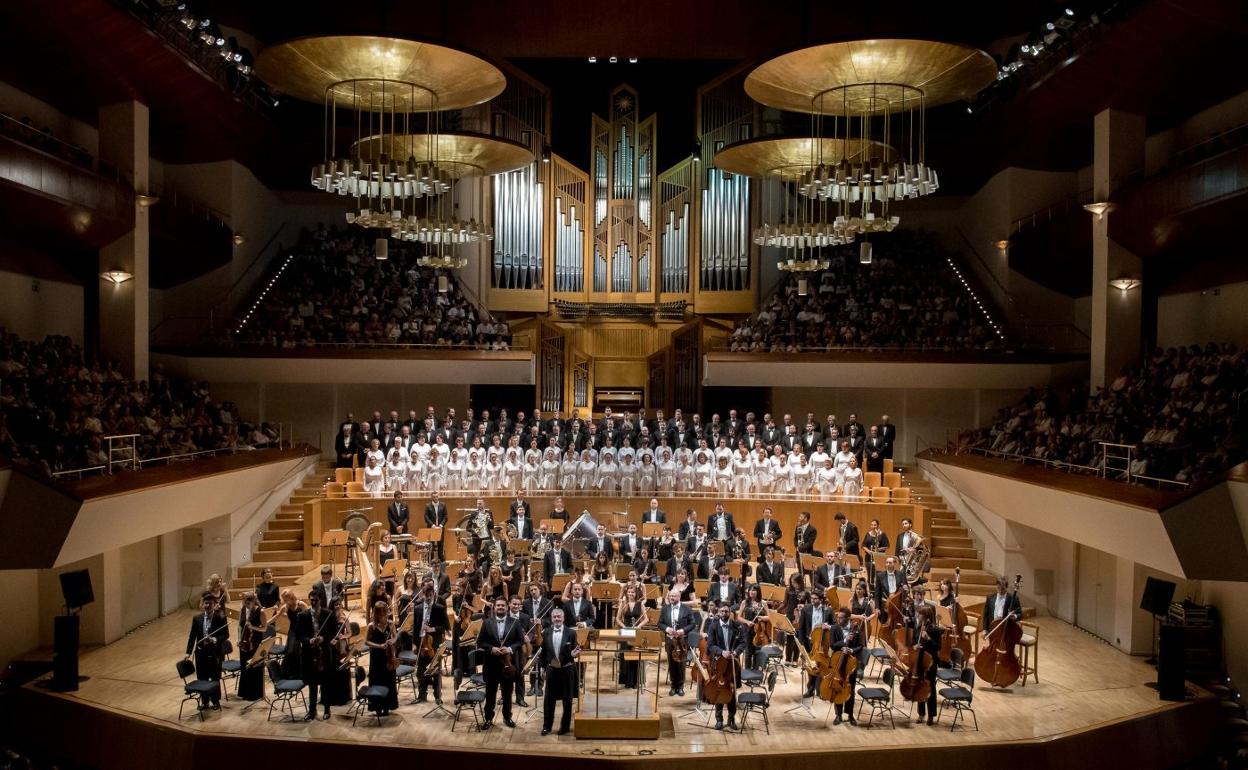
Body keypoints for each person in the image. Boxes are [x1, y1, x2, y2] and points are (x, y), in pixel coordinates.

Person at [477, 597, 525, 729]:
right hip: (491, 664)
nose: (500, 608)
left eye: (503, 606)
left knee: (507, 693)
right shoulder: (487, 623)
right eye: (498, 605)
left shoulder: (515, 622)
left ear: (507, 607)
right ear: (494, 607)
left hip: (507, 664)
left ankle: (507, 717)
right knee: (491, 693)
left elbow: (520, 640)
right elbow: (480, 642)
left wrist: (510, 649)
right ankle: (488, 719)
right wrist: (491, 649)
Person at [705, 602, 747, 730]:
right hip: (719, 662)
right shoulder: (713, 626)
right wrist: (722, 652)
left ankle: (731, 719)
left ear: (730, 612)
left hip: (733, 662)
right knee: (718, 689)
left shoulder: (737, 626)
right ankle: (719, 719)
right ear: (719, 612)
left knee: (732, 691)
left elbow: (743, 643)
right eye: (722, 611)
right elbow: (710, 645)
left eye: (726, 611)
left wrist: (735, 652)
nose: (724, 614)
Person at [540, 607, 580, 736]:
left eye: (559, 616)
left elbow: (575, 651)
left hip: (567, 670)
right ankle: (547, 726)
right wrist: (542, 667)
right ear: (551, 619)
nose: (557, 619)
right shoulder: (546, 632)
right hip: (552, 669)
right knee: (548, 699)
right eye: (554, 617)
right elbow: (544, 652)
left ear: (563, 618)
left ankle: (565, 727)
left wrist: (574, 655)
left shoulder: (571, 633)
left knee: (567, 700)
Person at [184, 593, 228, 710]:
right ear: (202, 604)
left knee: (214, 678)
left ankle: (215, 701)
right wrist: (188, 653)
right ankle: (204, 702)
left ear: (214, 605)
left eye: (210, 603)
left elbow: (225, 635)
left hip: (215, 653)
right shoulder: (197, 619)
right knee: (202, 678)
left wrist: (215, 639)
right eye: (205, 603)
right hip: (201, 654)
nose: (207, 605)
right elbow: (192, 637)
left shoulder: (220, 617)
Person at [412, 582, 448, 705]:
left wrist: (432, 629)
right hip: (421, 644)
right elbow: (415, 628)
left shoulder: (439, 608)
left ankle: (438, 697)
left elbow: (443, 626)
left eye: (430, 595)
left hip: (434, 644)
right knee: (420, 672)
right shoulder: (417, 609)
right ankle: (422, 695)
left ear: (434, 594)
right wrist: (414, 644)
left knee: (436, 671)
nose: (428, 597)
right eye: (426, 595)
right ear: (423, 594)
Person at [658, 589, 696, 696]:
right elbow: (660, 623)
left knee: (681, 663)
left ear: (679, 597)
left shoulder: (687, 609)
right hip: (670, 640)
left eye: (673, 596)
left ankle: (680, 686)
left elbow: (693, 624)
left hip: (682, 639)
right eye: (670, 596)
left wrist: (682, 631)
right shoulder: (665, 609)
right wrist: (667, 629)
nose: (671, 598)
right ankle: (673, 686)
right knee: (671, 662)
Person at [364, 600, 399, 715]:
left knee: (389, 680)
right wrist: (379, 646)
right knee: (377, 681)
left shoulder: (391, 624)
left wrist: (391, 641)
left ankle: (387, 706)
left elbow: (395, 637)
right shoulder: (371, 626)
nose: (385, 614)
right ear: (377, 613)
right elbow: (366, 642)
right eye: (382, 613)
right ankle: (377, 707)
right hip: (376, 658)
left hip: (388, 657)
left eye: (386, 612)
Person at [829, 607, 862, 725]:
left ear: (848, 618)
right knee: (838, 688)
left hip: (850, 664)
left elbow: (860, 646)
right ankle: (838, 715)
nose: (838, 619)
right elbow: (833, 645)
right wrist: (844, 641)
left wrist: (851, 650)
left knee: (850, 690)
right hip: (838, 662)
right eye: (837, 617)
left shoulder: (856, 629)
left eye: (841, 617)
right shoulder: (834, 628)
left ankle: (850, 714)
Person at [797, 590, 830, 698]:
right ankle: (810, 689)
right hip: (809, 642)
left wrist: (828, 626)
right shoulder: (806, 609)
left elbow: (834, 625)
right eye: (812, 598)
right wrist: (801, 643)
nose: (812, 600)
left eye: (815, 599)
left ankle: (820, 690)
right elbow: (801, 628)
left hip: (822, 643)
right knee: (811, 668)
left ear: (820, 599)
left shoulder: (827, 610)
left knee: (821, 667)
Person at [913, 604, 943, 725]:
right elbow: (915, 642)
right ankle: (921, 714)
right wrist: (915, 646)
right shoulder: (919, 627)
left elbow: (938, 647)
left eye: (919, 614)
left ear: (925, 616)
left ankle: (931, 716)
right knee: (920, 687)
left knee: (930, 689)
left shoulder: (934, 629)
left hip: (930, 663)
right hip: (920, 661)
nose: (918, 615)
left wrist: (929, 638)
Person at [615, 583, 649, 688]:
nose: (631, 594)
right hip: (626, 632)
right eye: (629, 592)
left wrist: (639, 626)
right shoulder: (623, 604)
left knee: (635, 656)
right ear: (627, 593)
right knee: (625, 655)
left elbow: (646, 619)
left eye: (633, 592)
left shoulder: (640, 604)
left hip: (636, 632)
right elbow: (617, 619)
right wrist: (624, 626)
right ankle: (627, 681)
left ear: (636, 593)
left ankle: (635, 681)